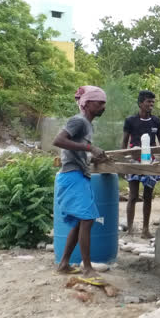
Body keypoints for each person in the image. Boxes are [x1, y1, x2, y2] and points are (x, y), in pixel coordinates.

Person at [53, 86, 108, 276]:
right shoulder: (79, 121)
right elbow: (58, 140)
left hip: (78, 175)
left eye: (104, 103)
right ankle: (87, 267)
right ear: (87, 103)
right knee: (87, 218)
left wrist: (91, 157)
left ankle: (64, 264)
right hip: (72, 175)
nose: (103, 106)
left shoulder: (87, 124)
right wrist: (89, 147)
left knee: (79, 222)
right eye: (99, 102)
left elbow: (75, 151)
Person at [121, 90, 160, 239]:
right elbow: (124, 142)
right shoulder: (131, 121)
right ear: (140, 103)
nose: (151, 105)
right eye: (148, 102)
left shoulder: (156, 121)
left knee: (148, 195)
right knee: (133, 196)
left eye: (152, 102)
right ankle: (130, 229)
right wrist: (123, 160)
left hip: (150, 161)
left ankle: (145, 230)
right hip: (133, 161)